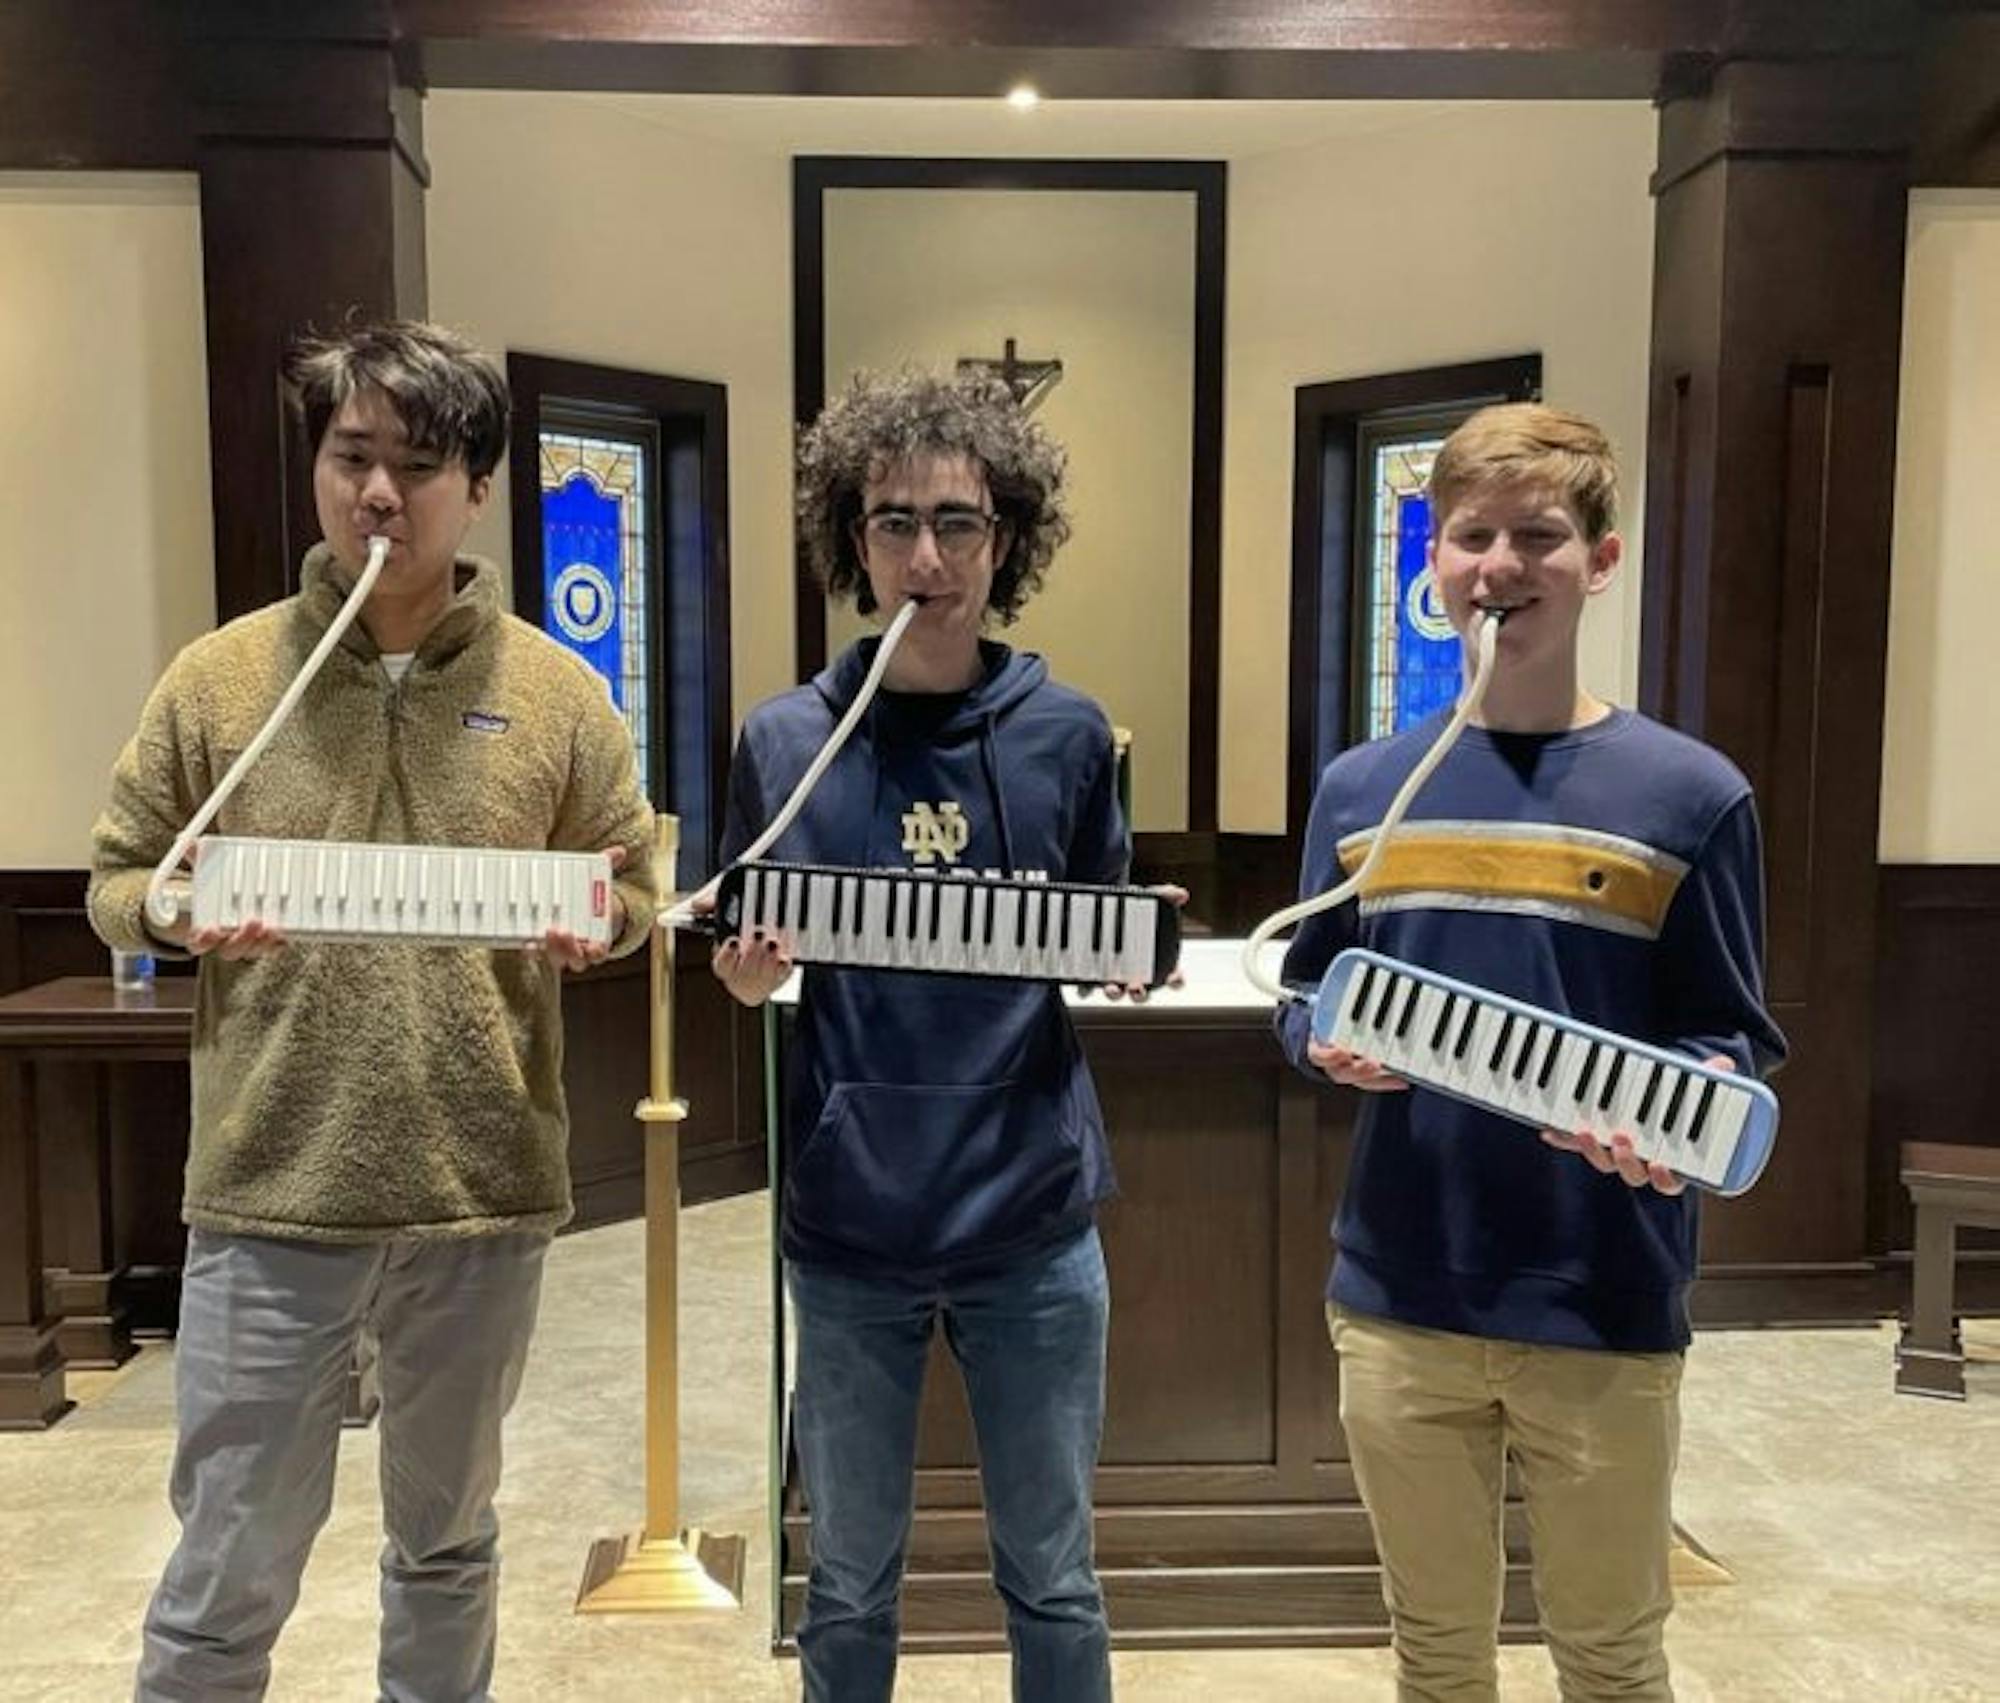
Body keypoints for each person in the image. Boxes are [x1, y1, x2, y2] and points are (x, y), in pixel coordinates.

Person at [88, 319, 659, 1703]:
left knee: (448, 1545)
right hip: (269, 1189)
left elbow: (634, 878)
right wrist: (170, 912)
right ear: (320, 471)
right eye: (352, 458)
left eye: (416, 463)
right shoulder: (217, 680)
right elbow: (118, 876)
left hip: (479, 1193)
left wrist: (606, 921)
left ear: (476, 486)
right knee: (229, 1562)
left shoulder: (556, 691)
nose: (378, 495)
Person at [1275, 403, 1786, 1702]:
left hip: (1601, 1291)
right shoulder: (1358, 789)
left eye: (1540, 537)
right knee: (1436, 1653)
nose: (1502, 565)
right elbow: (1305, 991)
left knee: (1610, 1657)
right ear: (1434, 563)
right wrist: (1317, 1047)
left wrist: (1693, 1108)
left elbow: (1725, 1032)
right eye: (1473, 536)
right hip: (1400, 1293)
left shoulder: (1690, 792)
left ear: (1601, 561)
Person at [714, 369, 1156, 1702]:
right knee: (845, 1582)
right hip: (853, 1228)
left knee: (1057, 1575)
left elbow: (1096, 941)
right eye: (894, 521)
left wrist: (1126, 954)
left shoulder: (1070, 734)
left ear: (1002, 540)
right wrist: (746, 979)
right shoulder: (786, 738)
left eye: (957, 524)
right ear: (853, 542)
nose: (926, 555)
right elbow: (749, 969)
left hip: (1033, 1222)